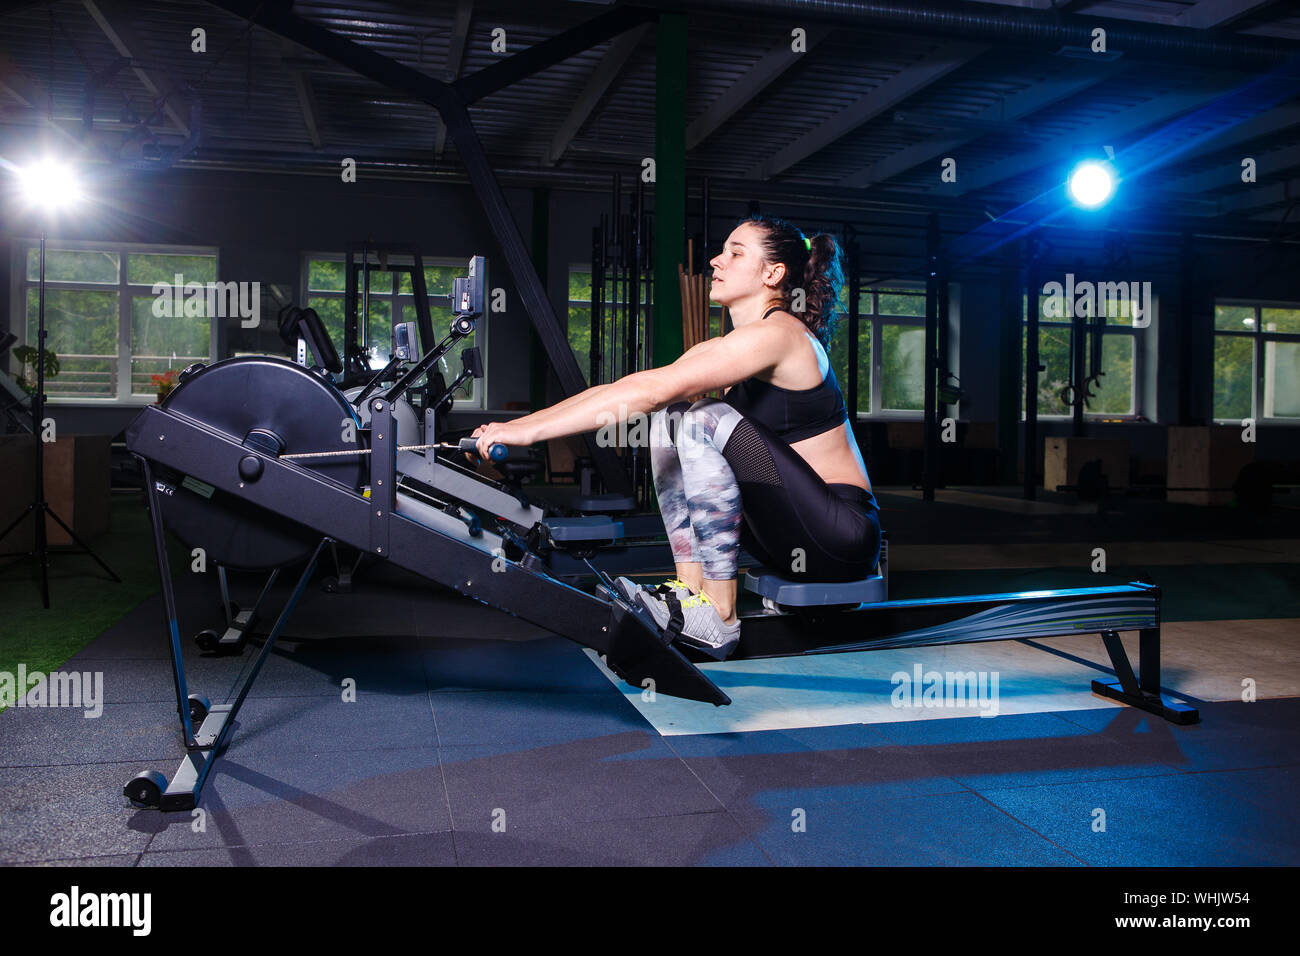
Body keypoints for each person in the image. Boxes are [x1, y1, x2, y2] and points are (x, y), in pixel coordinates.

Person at [473, 214, 882, 660]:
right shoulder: (737, 343)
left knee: (700, 417)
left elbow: (647, 393)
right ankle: (691, 595)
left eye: (735, 253)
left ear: (773, 274)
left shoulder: (781, 335)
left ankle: (720, 617)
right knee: (672, 417)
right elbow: (629, 388)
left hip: (841, 537)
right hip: (786, 536)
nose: (715, 260)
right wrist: (518, 427)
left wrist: (523, 430)